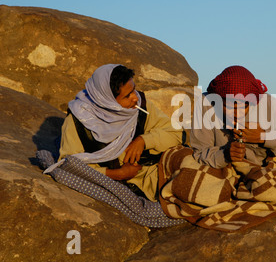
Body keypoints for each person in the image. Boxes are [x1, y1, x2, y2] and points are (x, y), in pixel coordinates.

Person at [58, 64, 183, 202]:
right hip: (130, 186)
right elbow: (68, 165)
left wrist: (144, 140)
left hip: (157, 172)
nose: (135, 98)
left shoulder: (139, 107)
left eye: (134, 89)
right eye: (127, 96)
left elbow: (176, 133)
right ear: (108, 101)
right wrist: (117, 174)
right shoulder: (78, 122)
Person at [190, 65, 276, 168]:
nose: (237, 114)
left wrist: (264, 136)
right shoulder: (206, 104)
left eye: (244, 107)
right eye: (229, 107)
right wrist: (225, 154)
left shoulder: (265, 101)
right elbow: (199, 152)